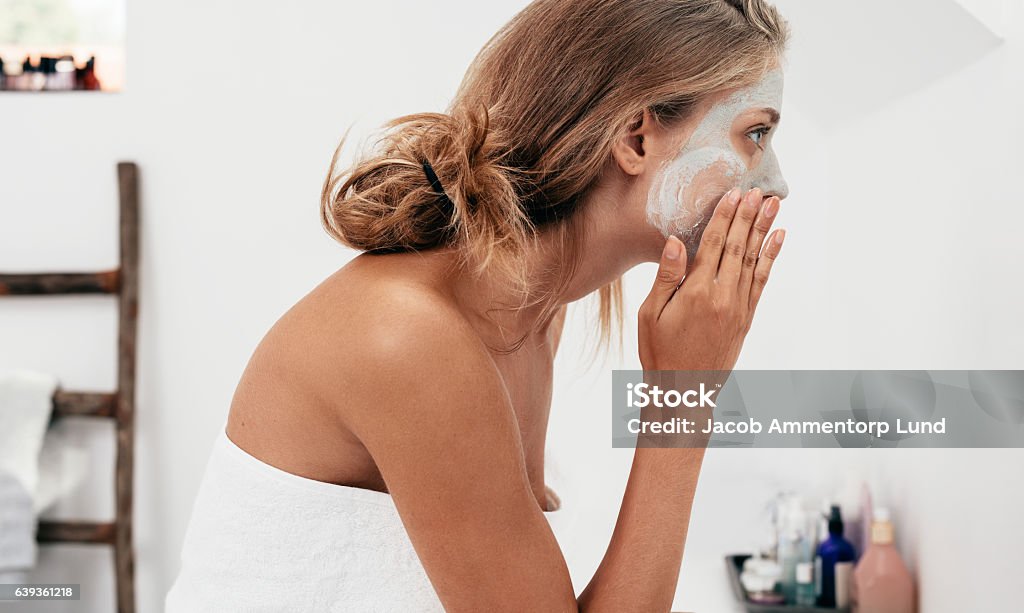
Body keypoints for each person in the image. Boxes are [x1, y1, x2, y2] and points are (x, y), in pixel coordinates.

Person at [166, 0, 791, 610]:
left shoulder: (533, 307)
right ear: (635, 138)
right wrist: (684, 394)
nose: (776, 182)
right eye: (755, 134)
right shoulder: (408, 337)